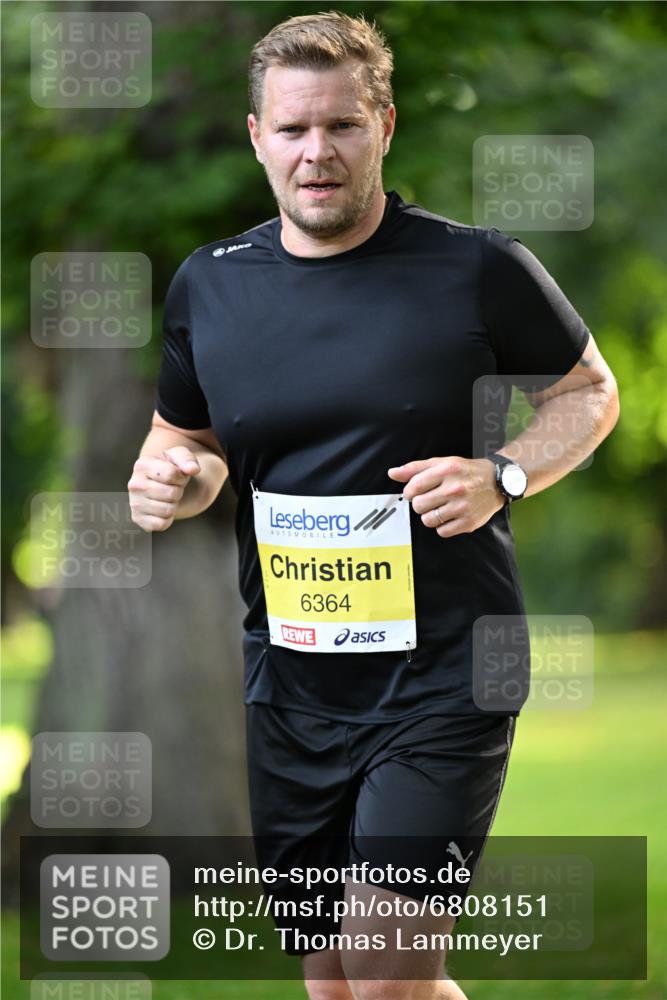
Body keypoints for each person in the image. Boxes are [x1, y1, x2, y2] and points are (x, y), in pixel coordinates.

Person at [128, 11, 619, 1000]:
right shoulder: (209, 286)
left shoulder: (475, 267)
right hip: (291, 682)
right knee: (335, 982)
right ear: (257, 136)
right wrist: (173, 477)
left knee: (388, 969)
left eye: (342, 125)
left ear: (384, 126)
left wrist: (502, 473)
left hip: (446, 675)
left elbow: (589, 394)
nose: (317, 152)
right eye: (293, 128)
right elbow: (190, 442)